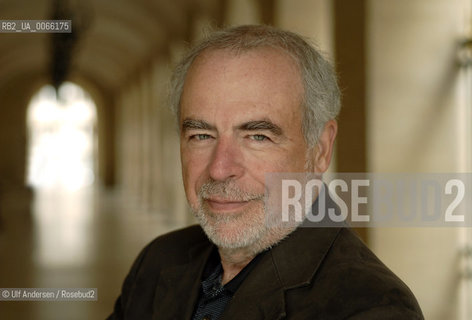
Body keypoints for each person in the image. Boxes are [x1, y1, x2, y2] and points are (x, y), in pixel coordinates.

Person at [108, 25, 423, 319]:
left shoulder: (370, 306)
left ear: (321, 149)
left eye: (258, 136)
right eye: (201, 135)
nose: (220, 170)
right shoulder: (158, 260)